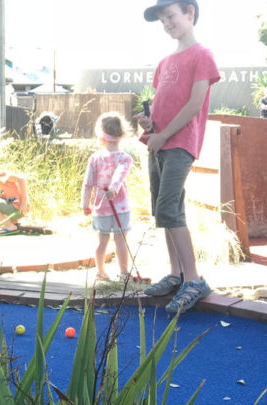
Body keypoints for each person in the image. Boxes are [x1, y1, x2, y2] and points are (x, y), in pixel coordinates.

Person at [135, 0, 220, 314]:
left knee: (169, 208)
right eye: (162, 20)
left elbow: (194, 104)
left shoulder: (202, 55)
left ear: (190, 13)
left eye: (170, 15)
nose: (167, 23)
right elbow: (162, 105)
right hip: (159, 142)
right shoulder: (165, 62)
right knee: (163, 211)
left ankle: (194, 279)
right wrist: (150, 125)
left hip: (179, 143)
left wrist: (164, 134)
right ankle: (176, 274)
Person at [81, 112, 133, 281]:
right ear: (121, 136)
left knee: (102, 241)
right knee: (120, 241)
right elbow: (120, 174)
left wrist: (85, 204)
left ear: (100, 136)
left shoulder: (95, 158)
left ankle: (100, 271)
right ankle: (124, 273)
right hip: (121, 207)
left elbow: (87, 184)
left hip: (100, 207)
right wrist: (114, 188)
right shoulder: (125, 158)